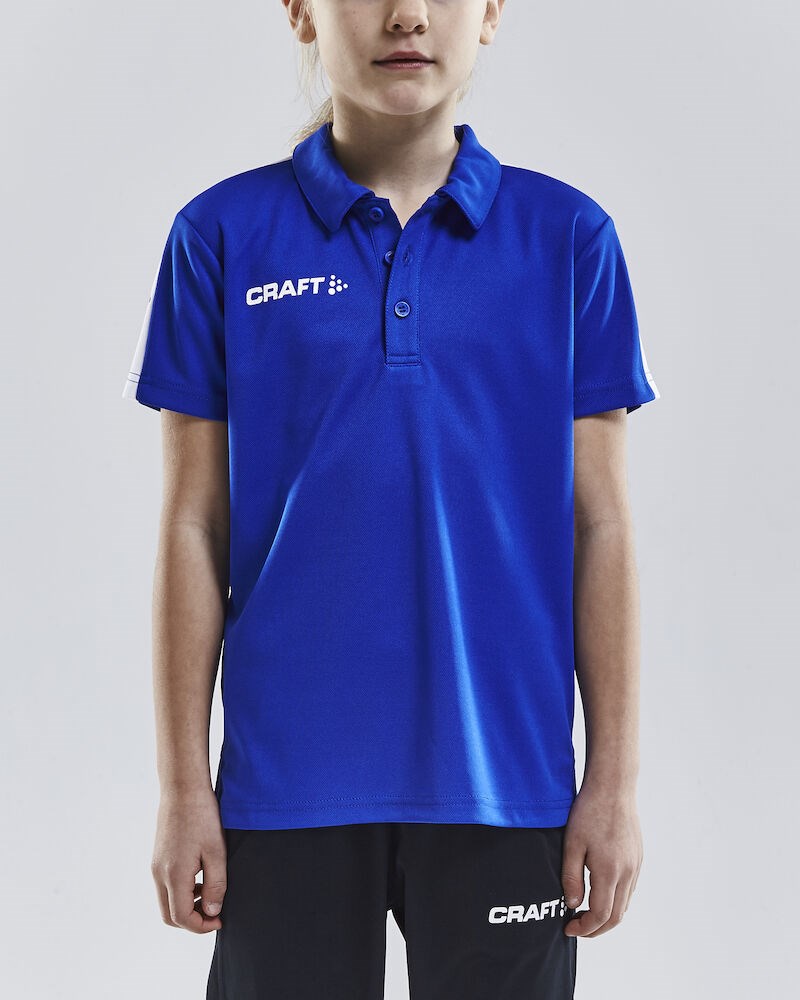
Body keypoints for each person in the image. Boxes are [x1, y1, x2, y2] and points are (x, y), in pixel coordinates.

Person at [122, 1, 660, 997]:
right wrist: (183, 787)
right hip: (284, 789)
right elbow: (194, 526)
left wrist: (614, 785)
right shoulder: (220, 237)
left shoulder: (568, 240)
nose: (406, 15)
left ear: (489, 13)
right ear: (300, 11)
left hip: (505, 782)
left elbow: (601, 526)